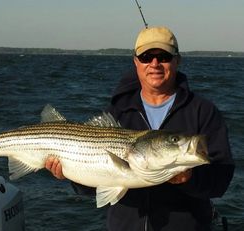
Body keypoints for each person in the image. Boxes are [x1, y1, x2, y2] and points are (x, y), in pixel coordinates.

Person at [45, 26, 235, 230]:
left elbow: (220, 180)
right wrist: (68, 174)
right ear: (136, 62)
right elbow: (94, 186)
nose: (155, 64)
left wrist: (190, 178)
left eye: (163, 56)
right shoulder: (118, 111)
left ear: (177, 60)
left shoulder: (202, 111)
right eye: (146, 57)